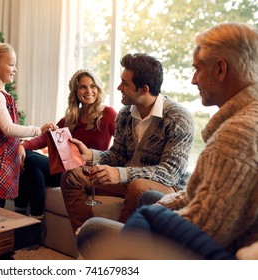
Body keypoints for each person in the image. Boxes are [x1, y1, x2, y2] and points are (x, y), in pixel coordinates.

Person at [77, 22, 258, 259]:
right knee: (148, 199)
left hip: (212, 253)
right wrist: (92, 156)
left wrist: (146, 221)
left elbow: (203, 228)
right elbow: (195, 195)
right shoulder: (242, 121)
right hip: (172, 200)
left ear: (221, 69)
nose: (193, 80)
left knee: (93, 230)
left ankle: (118, 258)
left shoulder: (238, 134)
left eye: (197, 69)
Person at [61, 53, 195, 232]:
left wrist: (121, 174)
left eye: (125, 83)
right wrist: (92, 154)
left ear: (144, 90)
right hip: (128, 180)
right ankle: (87, 236)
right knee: (72, 177)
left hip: (166, 187)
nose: (118, 87)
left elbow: (170, 172)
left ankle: (118, 248)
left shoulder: (178, 117)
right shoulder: (125, 114)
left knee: (138, 186)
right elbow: (118, 155)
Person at [15, 69, 117, 217]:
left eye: (93, 86)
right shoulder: (72, 117)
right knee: (28, 158)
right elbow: (45, 138)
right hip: (66, 169)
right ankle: (25, 216)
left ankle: (26, 215)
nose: (89, 91)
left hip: (86, 173)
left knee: (32, 160)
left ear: (98, 89)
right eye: (83, 87)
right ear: (75, 92)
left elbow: (121, 146)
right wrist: (22, 146)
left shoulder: (108, 114)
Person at [0, 43, 56, 208]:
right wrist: (38, 130)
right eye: (11, 64)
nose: (15, 69)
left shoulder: (1, 95)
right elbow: (8, 128)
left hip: (2, 160)